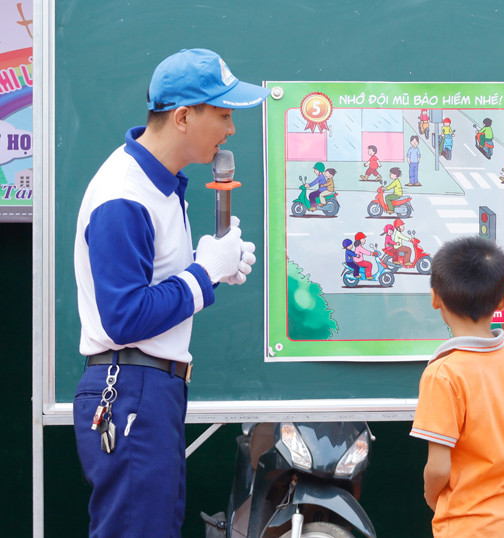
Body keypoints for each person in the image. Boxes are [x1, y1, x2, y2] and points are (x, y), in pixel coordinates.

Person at [72, 48, 267, 537]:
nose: (231, 129)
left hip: (146, 389)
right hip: (131, 385)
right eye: (223, 115)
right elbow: (125, 317)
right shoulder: (124, 194)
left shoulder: (157, 185)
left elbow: (151, 286)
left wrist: (212, 271)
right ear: (183, 117)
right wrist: (203, 273)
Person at [411, 235, 504, 537]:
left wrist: (431, 496)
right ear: (503, 300)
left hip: (467, 524)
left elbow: (438, 468)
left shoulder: (443, 374)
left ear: (435, 298)